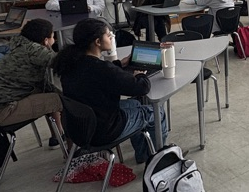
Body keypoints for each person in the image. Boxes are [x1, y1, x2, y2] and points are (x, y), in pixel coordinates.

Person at [53, 18, 165, 162]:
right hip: (105, 131)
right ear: (97, 42)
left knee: (135, 104)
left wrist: (118, 64)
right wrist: (140, 75)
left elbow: (98, 78)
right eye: (108, 35)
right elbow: (141, 88)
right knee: (156, 113)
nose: (111, 38)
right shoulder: (102, 69)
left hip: (81, 128)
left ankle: (143, 154)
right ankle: (157, 161)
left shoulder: (70, 63)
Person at [0, 18, 63, 139]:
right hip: (3, 111)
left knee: (49, 91)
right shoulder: (35, 51)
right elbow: (62, 63)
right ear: (46, 41)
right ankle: (73, 147)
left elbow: (44, 84)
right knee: (63, 101)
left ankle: (58, 136)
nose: (54, 40)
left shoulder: (19, 45)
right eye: (53, 37)